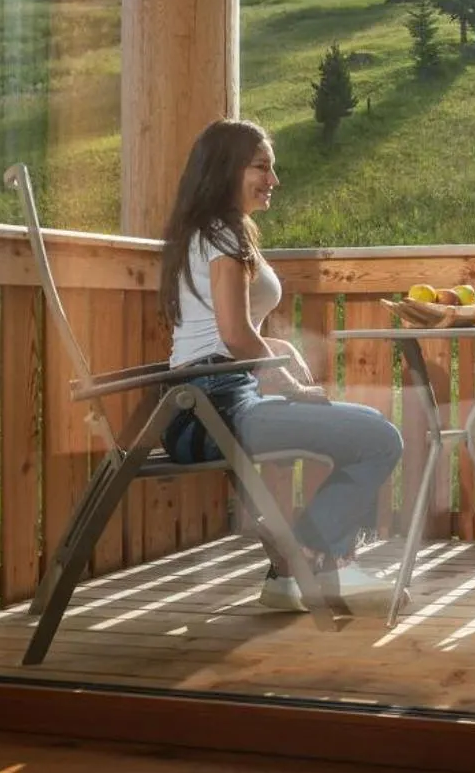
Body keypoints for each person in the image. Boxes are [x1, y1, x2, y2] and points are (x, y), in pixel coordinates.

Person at [158, 119, 404, 614]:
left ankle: (298, 566)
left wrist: (281, 352)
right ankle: (313, 558)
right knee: (379, 438)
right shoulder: (222, 235)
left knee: (371, 430)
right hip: (211, 406)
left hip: (204, 403)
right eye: (262, 168)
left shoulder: (210, 232)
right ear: (228, 169)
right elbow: (233, 336)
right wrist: (289, 383)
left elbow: (231, 333)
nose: (274, 180)